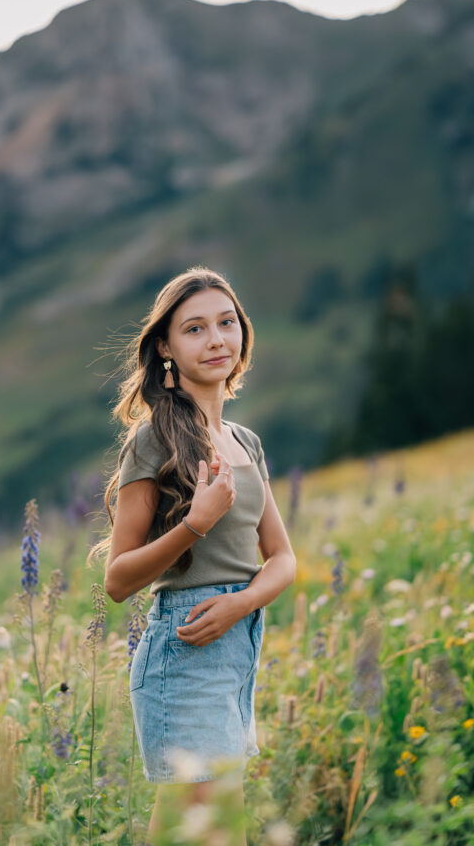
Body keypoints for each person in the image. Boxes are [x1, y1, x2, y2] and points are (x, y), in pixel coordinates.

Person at [92, 266, 296, 845]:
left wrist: (243, 605)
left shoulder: (245, 441)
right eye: (195, 329)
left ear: (242, 334)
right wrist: (194, 525)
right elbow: (117, 580)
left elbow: (282, 557)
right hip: (184, 652)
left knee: (202, 827)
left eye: (226, 324)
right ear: (166, 347)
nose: (215, 340)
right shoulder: (153, 439)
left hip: (237, 645)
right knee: (205, 828)